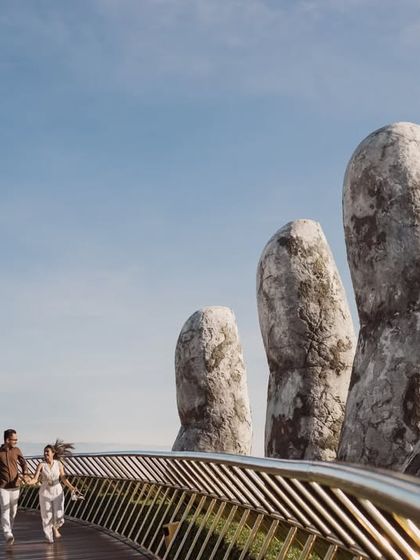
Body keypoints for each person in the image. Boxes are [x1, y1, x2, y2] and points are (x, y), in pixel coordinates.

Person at [28, 440, 80, 543]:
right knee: (47, 515)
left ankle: (55, 527)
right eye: (44, 452)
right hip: (45, 492)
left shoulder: (58, 464)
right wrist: (29, 482)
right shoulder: (41, 465)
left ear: (53, 453)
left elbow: (64, 478)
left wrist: (72, 487)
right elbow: (35, 479)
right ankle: (49, 537)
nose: (46, 453)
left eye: (48, 451)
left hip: (57, 491)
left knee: (59, 514)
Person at [0, 429, 29, 545]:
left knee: (13, 511)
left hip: (15, 486)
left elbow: (23, 463)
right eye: (14, 440)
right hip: (2, 486)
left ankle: (9, 529)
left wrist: (25, 473)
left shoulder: (17, 450)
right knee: (4, 510)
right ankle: (7, 533)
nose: (16, 442)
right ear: (7, 440)